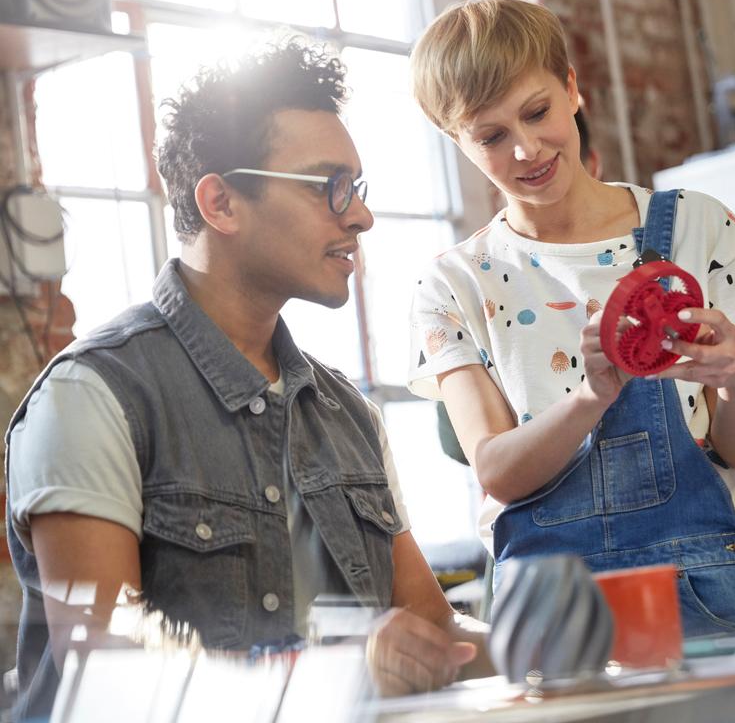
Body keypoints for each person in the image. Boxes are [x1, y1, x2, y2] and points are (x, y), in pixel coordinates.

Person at [4, 41, 490, 720]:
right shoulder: (92, 396)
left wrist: (559, 638)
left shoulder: (347, 412)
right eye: (330, 186)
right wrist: (340, 677)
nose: (360, 215)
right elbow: (105, 668)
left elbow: (437, 635)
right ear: (221, 202)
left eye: (358, 187)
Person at [407, 0, 735, 637]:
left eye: (538, 112)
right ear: (457, 141)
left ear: (572, 88)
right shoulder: (454, 284)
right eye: (491, 136)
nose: (527, 149)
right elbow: (497, 471)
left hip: (706, 588)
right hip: (548, 611)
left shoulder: (700, 228)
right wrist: (590, 396)